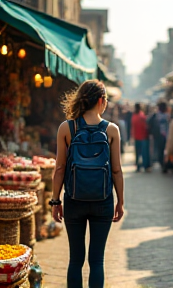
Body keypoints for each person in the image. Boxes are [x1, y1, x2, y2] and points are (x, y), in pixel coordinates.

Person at [51, 79, 124, 288]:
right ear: (101, 100)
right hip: (103, 201)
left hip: (74, 200)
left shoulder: (67, 127)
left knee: (75, 260)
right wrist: (120, 201)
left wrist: (55, 201)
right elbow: (117, 170)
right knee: (97, 260)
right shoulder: (112, 130)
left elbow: (59, 169)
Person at [148, 101, 170, 173]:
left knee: (160, 151)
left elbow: (149, 124)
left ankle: (163, 164)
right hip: (167, 137)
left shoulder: (155, 116)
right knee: (166, 151)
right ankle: (165, 165)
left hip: (159, 137)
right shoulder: (168, 116)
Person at [131, 103, 151, 172]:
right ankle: (145, 166)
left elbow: (132, 127)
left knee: (137, 153)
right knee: (144, 153)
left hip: (137, 137)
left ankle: (138, 166)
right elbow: (145, 127)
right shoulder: (142, 116)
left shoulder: (134, 116)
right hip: (143, 137)